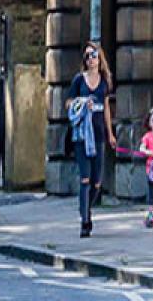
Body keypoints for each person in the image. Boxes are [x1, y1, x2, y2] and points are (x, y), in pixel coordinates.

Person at [65, 45, 115, 237]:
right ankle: (85, 221)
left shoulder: (105, 81)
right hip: (82, 135)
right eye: (87, 56)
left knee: (97, 182)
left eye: (94, 55)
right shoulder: (79, 80)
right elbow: (68, 103)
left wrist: (110, 133)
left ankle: (86, 207)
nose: (91, 59)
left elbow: (107, 109)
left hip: (99, 133)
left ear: (99, 58)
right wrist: (82, 102)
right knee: (85, 178)